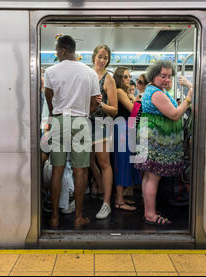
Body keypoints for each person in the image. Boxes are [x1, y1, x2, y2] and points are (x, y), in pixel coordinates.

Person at [43, 35, 102, 228]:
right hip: (80, 121)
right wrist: (83, 113)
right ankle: (78, 218)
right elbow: (95, 102)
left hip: (60, 120)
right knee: (80, 171)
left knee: (57, 170)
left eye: (56, 51)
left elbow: (49, 98)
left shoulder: (50, 72)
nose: (56, 54)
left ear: (62, 50)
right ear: (74, 50)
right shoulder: (89, 73)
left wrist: (56, 115)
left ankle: (54, 217)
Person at [135, 60, 194, 226]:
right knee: (153, 177)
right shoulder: (157, 94)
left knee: (148, 177)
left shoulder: (154, 90)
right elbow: (175, 114)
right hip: (156, 140)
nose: (167, 79)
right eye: (163, 76)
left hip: (151, 138)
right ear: (154, 76)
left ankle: (149, 210)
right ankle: (151, 215)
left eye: (169, 76)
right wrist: (188, 99)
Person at [88, 44, 118, 219]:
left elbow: (114, 110)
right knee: (88, 162)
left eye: (105, 58)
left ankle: (106, 203)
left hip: (101, 124)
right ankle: (99, 189)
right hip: (85, 123)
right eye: (100, 56)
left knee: (104, 162)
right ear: (94, 56)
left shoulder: (109, 79)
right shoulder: (86, 74)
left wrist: (100, 104)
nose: (102, 60)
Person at [112, 66, 142, 212]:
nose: (128, 78)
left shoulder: (124, 93)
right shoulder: (119, 92)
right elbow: (134, 111)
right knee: (122, 163)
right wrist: (135, 99)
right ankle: (119, 200)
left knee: (125, 163)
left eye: (129, 76)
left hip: (125, 128)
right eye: (125, 76)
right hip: (122, 129)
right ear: (119, 78)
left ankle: (121, 197)